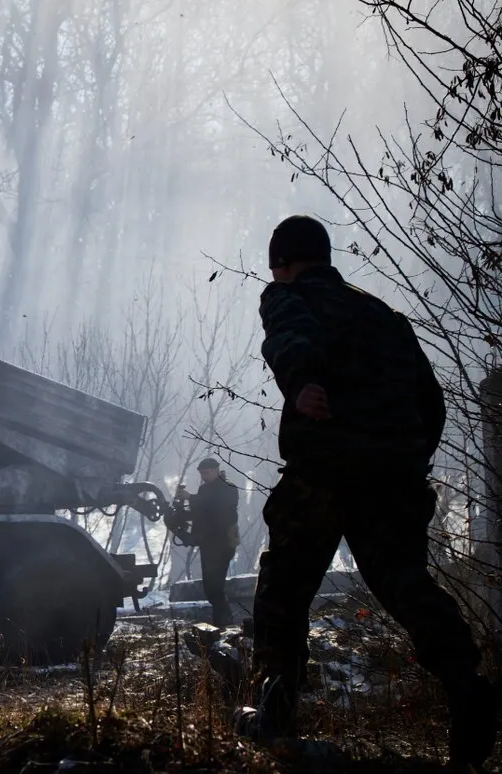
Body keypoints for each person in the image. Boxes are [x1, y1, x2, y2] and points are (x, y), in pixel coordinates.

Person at [238, 214, 496, 771]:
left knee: (283, 587)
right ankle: (466, 684)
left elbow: (290, 336)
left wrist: (302, 382)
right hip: (392, 475)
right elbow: (430, 399)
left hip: (325, 469)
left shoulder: (286, 296)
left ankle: (274, 711)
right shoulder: (383, 314)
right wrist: (408, 456)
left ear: (280, 264)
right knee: (405, 585)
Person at [175, 458, 239, 627]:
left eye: (207, 472)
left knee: (215, 585)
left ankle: (225, 622)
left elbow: (217, 507)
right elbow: (201, 513)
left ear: (217, 470)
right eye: (202, 473)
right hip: (208, 544)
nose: (204, 476)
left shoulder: (228, 488)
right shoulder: (204, 490)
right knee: (210, 587)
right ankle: (222, 621)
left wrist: (192, 498)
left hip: (222, 543)